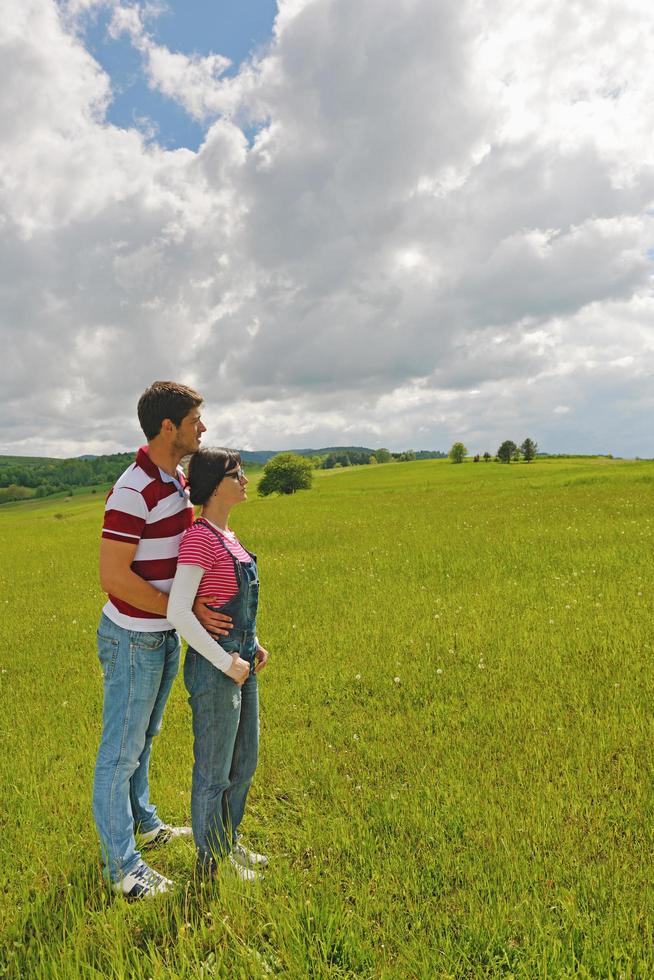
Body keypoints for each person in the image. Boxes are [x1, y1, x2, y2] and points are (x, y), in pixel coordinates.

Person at [93, 381, 233, 899]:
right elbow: (114, 576)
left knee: (144, 741)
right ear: (168, 426)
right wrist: (180, 609)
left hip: (163, 635)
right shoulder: (134, 489)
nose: (204, 427)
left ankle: (145, 825)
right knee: (120, 754)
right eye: (197, 419)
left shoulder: (175, 480)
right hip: (134, 639)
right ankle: (123, 869)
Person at [167, 447, 269, 882]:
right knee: (214, 769)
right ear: (214, 485)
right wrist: (225, 661)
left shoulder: (230, 536)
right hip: (217, 667)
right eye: (236, 473)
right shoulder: (199, 537)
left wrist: (254, 644)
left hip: (241, 658)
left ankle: (228, 841)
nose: (244, 479)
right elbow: (179, 611)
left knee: (244, 761)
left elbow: (237, 606)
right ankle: (213, 861)